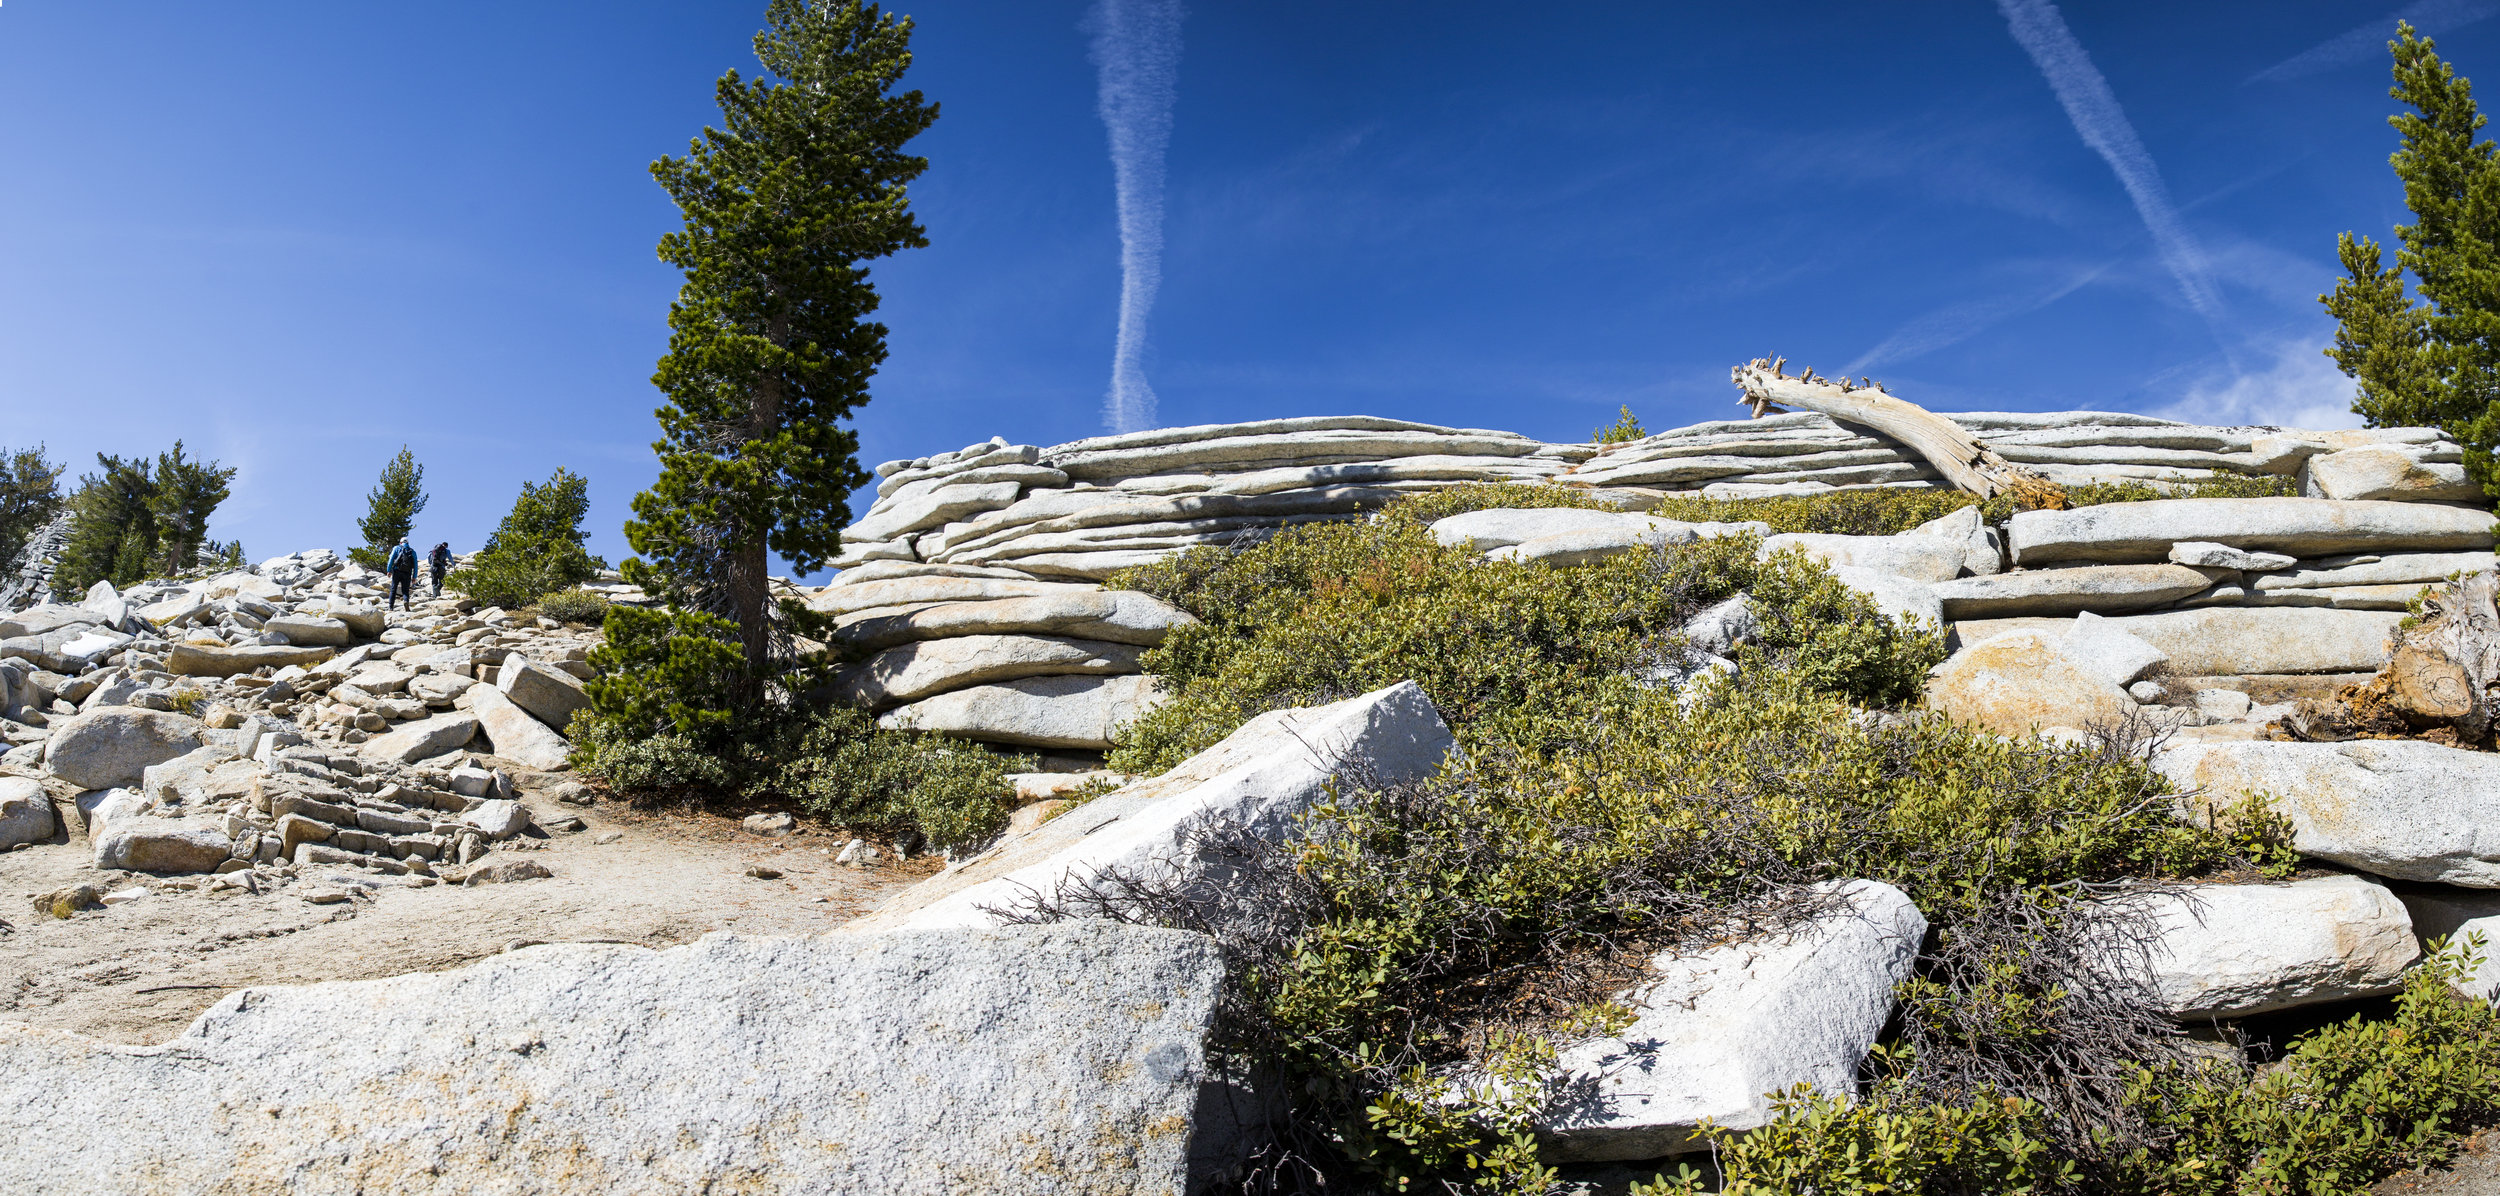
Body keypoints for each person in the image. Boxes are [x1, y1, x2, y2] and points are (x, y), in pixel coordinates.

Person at [385, 538, 417, 611]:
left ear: (400, 542)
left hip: (397, 571)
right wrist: (414, 576)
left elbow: (391, 559)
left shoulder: (396, 548)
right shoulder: (412, 551)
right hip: (407, 573)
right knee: (405, 590)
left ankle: (390, 607)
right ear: (408, 543)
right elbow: (415, 565)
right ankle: (406, 601)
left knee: (393, 589)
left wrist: (389, 570)